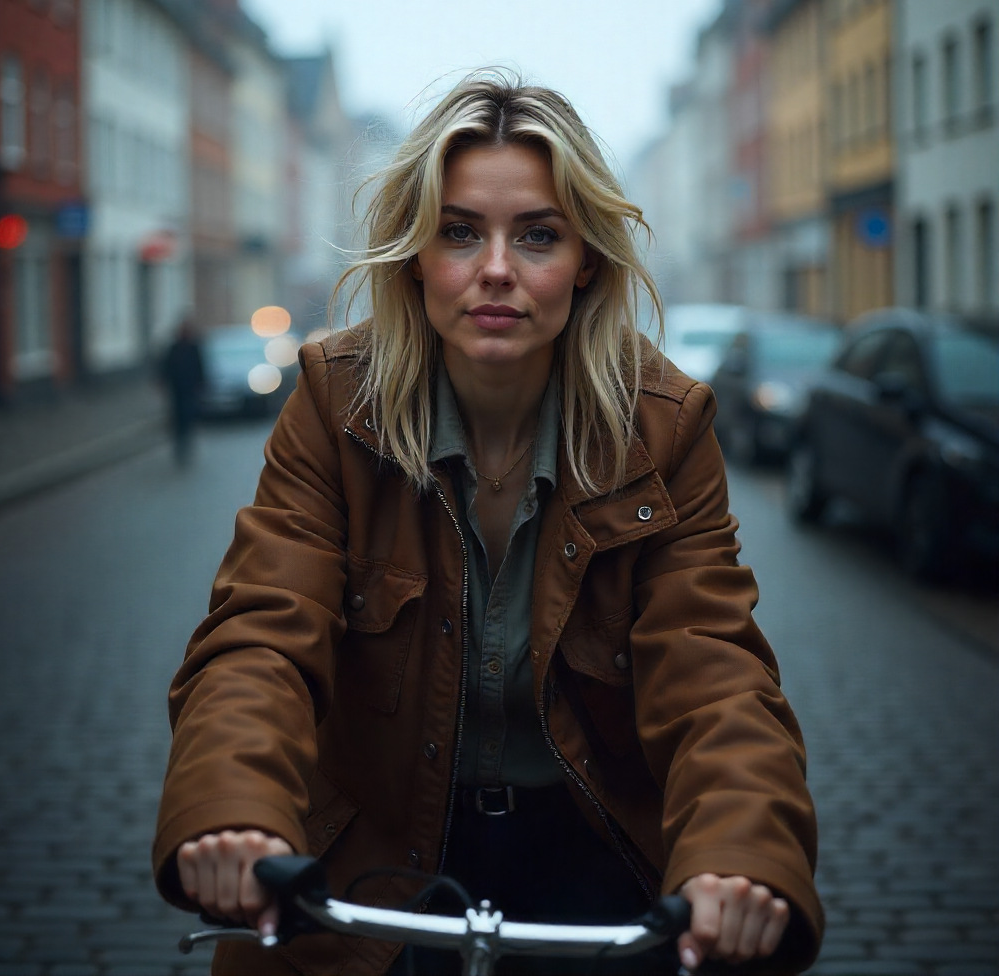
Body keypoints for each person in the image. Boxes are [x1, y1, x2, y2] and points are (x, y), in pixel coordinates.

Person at [153, 74, 823, 975]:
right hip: (375, 857)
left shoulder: (663, 423)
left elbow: (713, 668)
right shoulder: (332, 401)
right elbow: (260, 635)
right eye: (460, 231)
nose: (496, 268)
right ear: (414, 255)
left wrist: (743, 853)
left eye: (537, 234)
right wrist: (232, 809)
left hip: (599, 846)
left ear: (585, 258)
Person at [160, 318, 206, 466]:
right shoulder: (174, 348)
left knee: (188, 415)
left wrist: (201, 384)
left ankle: (185, 440)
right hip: (176, 389)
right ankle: (179, 442)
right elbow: (166, 366)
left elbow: (200, 366)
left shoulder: (193, 347)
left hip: (190, 389)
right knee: (177, 416)